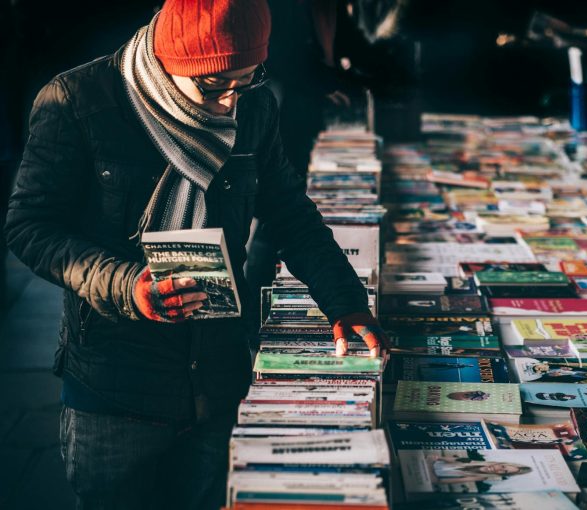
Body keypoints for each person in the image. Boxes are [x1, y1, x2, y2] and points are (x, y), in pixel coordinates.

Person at [4, 1, 387, 508]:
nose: (230, 103)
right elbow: (30, 227)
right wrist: (126, 284)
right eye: (212, 86)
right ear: (170, 58)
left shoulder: (253, 108)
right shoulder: (77, 101)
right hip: (116, 385)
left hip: (217, 372)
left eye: (246, 80)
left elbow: (289, 212)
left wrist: (345, 302)